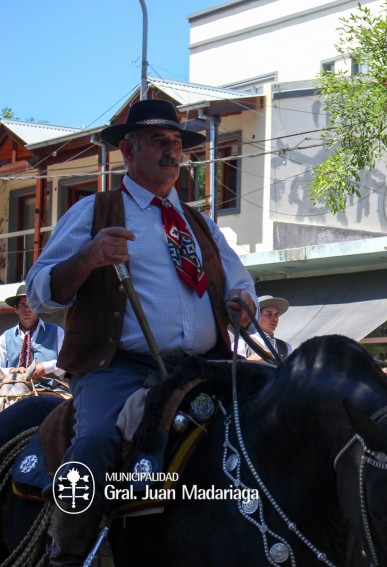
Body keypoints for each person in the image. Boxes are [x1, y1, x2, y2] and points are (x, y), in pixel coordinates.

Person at [26, 99, 257, 566]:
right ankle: (67, 554)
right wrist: (89, 257)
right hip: (119, 369)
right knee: (95, 442)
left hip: (205, 367)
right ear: (129, 153)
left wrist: (243, 307)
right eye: (159, 141)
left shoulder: (201, 225)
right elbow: (39, 293)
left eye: (176, 143)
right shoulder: (97, 210)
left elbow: (242, 286)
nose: (172, 151)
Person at [0, 284, 64, 378]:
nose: (27, 309)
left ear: (37, 308)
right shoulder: (5, 338)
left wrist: (46, 367)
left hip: (49, 389)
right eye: (22, 304)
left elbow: (67, 362)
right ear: (16, 309)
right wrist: (12, 370)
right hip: (14, 389)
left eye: (31, 304)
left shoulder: (57, 332)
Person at [232, 295, 292, 361]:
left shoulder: (286, 347)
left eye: (276, 314)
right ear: (256, 317)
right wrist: (251, 360)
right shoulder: (241, 344)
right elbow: (235, 369)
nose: (275, 318)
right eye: (269, 314)